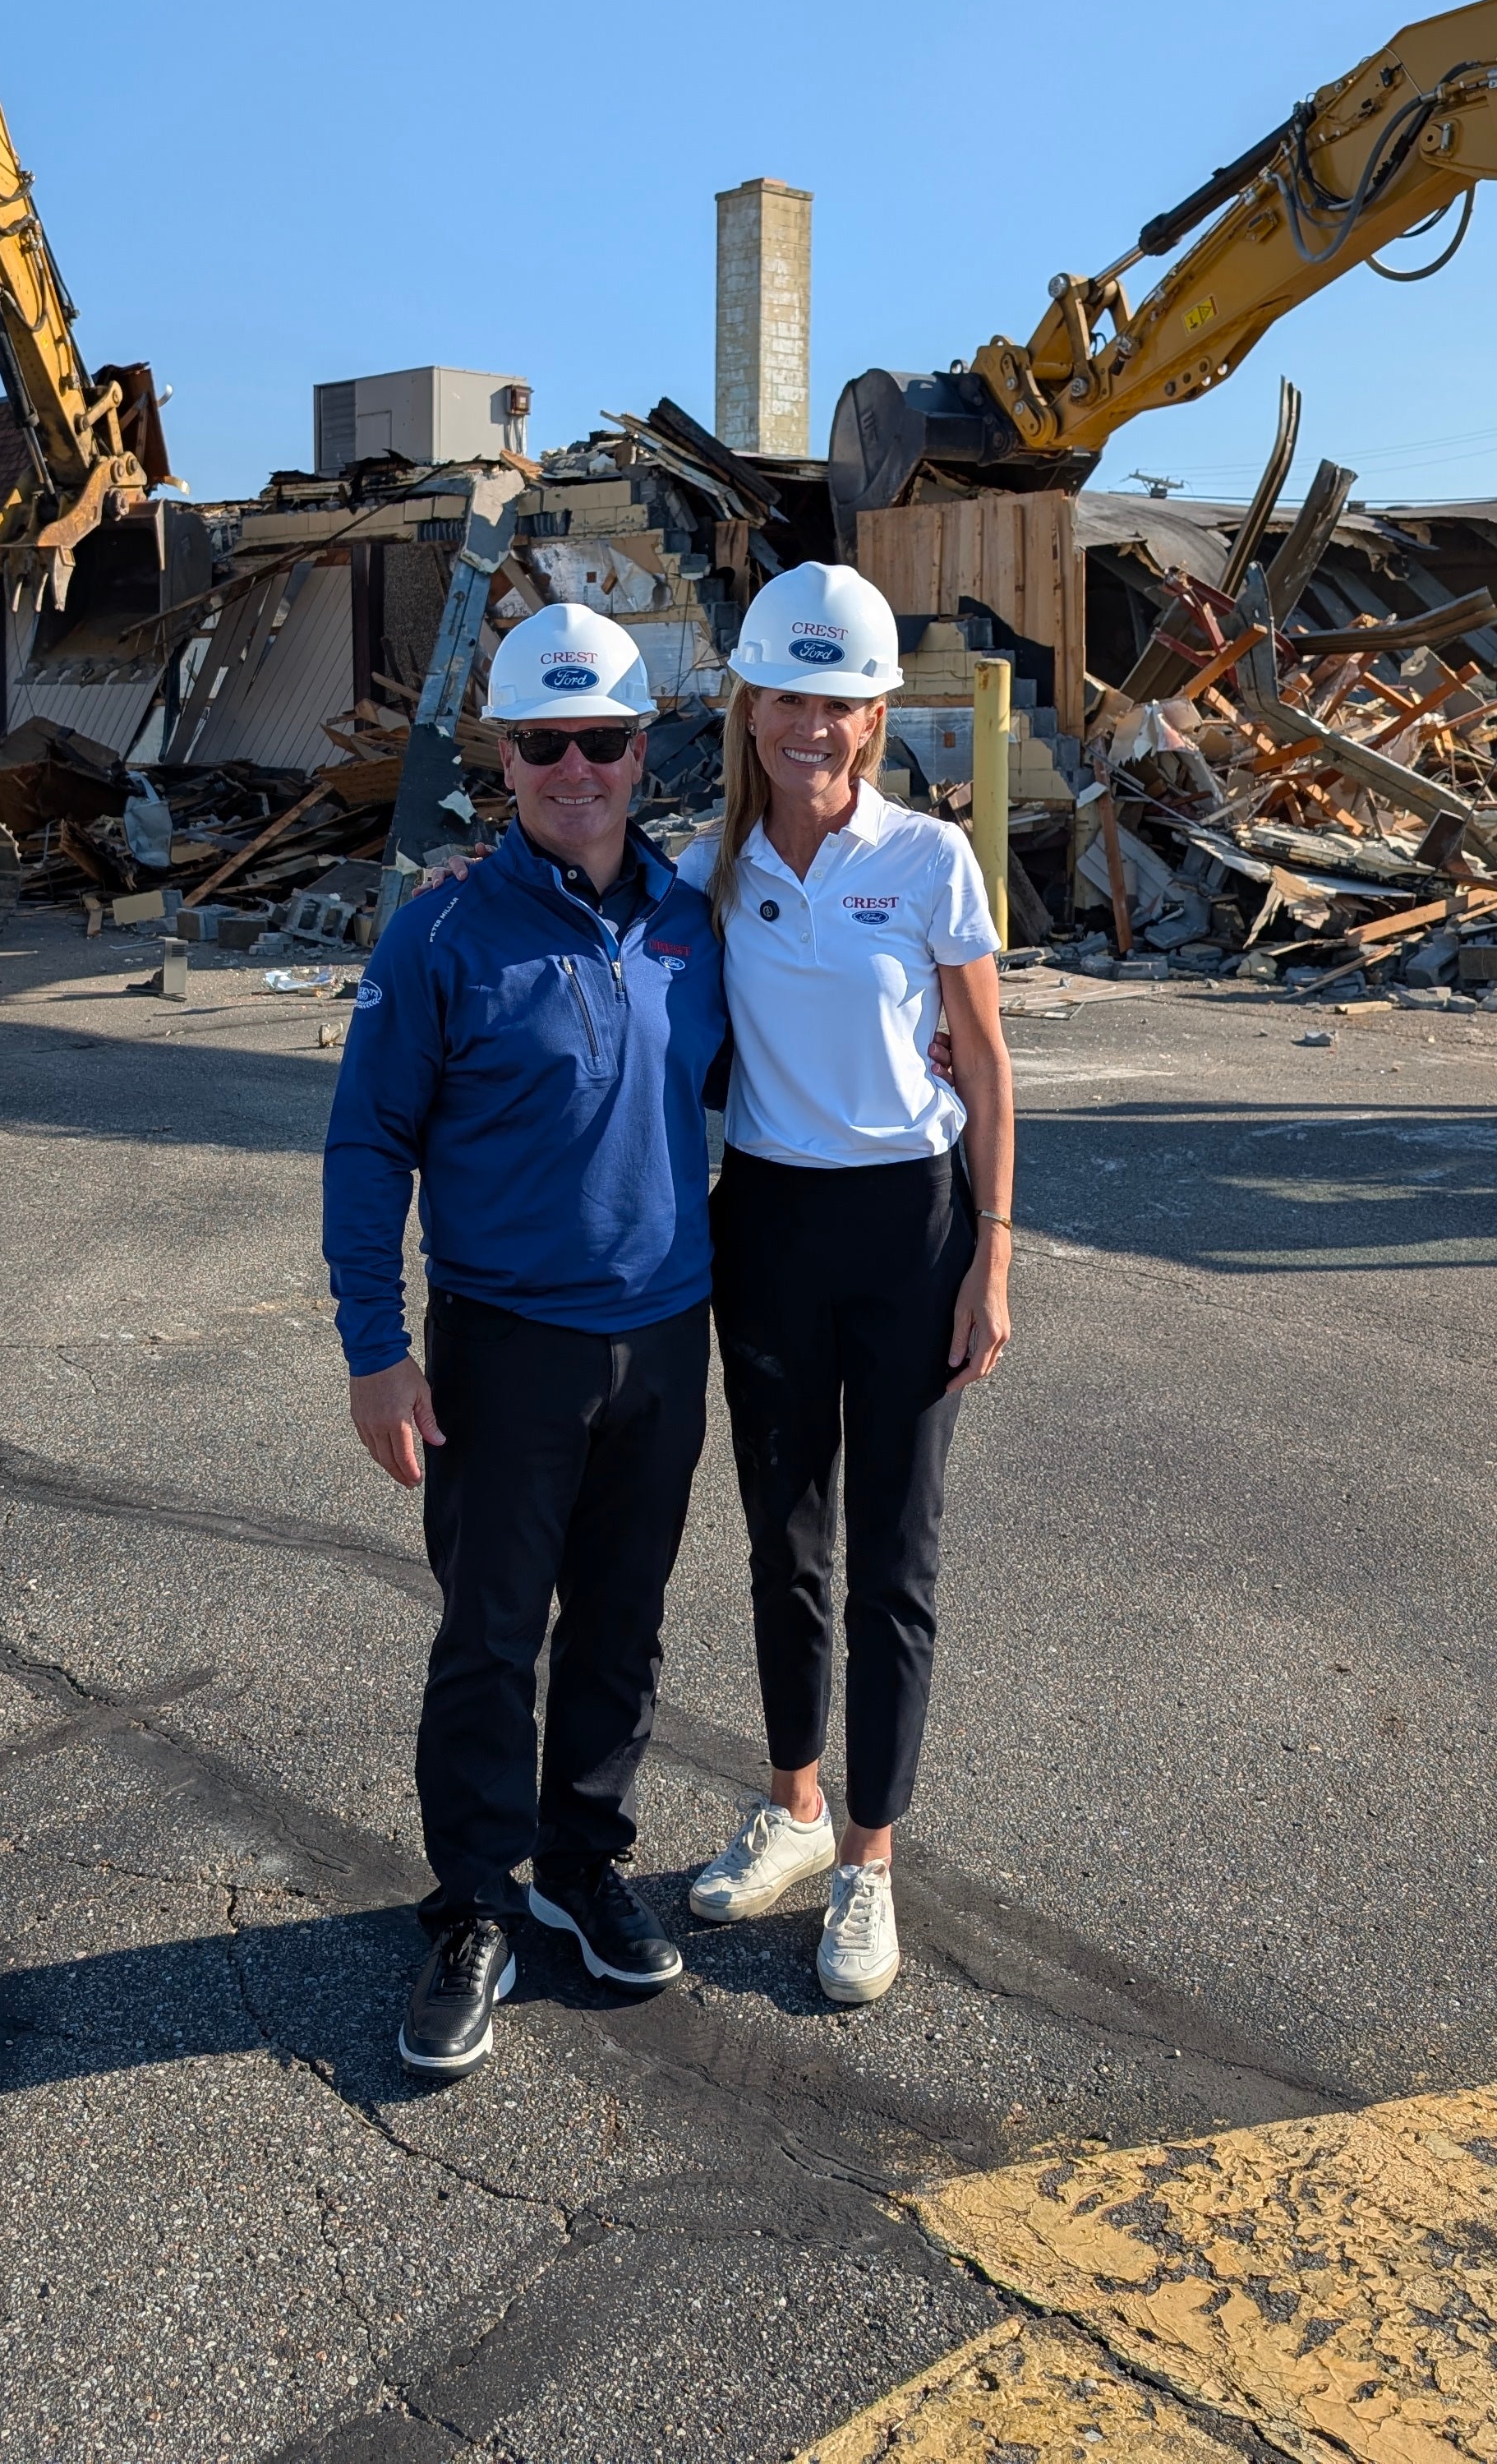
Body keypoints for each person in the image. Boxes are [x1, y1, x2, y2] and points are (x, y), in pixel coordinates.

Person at [323, 602, 728, 2077]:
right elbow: (368, 1144)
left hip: (664, 1337)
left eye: (602, 741)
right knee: (492, 1639)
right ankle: (476, 1906)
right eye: (545, 743)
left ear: (641, 753)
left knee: (623, 1622)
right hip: (503, 1347)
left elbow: (775, 1064)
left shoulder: (691, 923)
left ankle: (581, 1863)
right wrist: (376, 1346)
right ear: (502, 757)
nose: (576, 771)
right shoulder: (440, 931)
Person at [677, 561, 1012, 2005]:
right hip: (766, 1224)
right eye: (786, 699)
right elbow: (593, 916)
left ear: (874, 717)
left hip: (909, 1230)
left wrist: (993, 1252)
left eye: (839, 704)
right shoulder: (710, 868)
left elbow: (984, 1061)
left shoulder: (930, 861)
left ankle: (869, 1861)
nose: (809, 727)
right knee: (784, 1541)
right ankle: (796, 1808)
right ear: (749, 707)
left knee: (895, 1554)